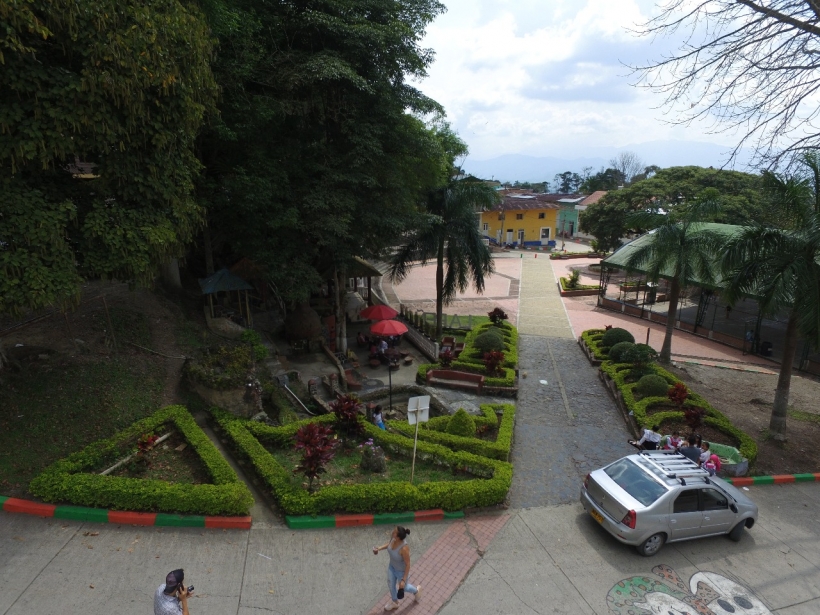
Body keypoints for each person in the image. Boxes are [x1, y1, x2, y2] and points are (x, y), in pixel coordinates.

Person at [372, 526, 421, 610]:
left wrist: (403, 580)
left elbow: (408, 564)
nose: (392, 532)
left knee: (404, 588)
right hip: (392, 567)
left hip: (401, 572)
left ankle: (416, 591)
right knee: (391, 584)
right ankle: (395, 602)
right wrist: (379, 548)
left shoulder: (404, 548)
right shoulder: (393, 539)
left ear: (398, 537)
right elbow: (389, 544)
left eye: (394, 532)